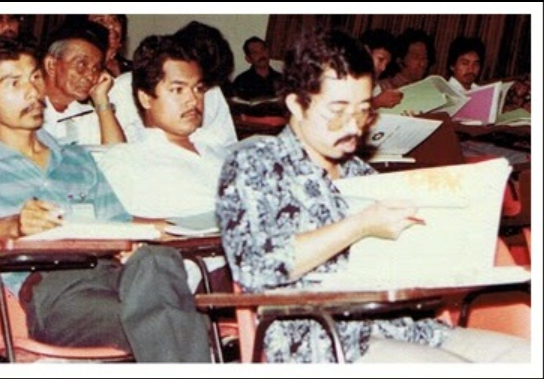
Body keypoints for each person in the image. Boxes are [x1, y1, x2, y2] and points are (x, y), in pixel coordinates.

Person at [216, 28, 529, 363]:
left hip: (403, 326)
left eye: (363, 110)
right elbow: (256, 268)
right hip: (322, 339)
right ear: (297, 103)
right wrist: (359, 225)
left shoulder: (359, 173)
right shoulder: (255, 164)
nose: (353, 126)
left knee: (523, 355)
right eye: (338, 110)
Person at [0, 37, 211, 362]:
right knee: (180, 321)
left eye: (35, 77)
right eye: (14, 83)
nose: (32, 92)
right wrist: (14, 225)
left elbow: (118, 226)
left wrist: (171, 227)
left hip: (113, 274)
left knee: (156, 262)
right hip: (54, 290)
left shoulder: (77, 159)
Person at [99, 35, 229, 292]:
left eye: (198, 89)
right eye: (178, 90)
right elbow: (101, 224)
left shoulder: (219, 152)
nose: (193, 100)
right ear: (146, 98)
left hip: (251, 260)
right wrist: (154, 228)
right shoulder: (126, 160)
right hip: (201, 273)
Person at [0, 20, 126, 148]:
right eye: (81, 65)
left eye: (96, 68)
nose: (90, 75)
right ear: (51, 64)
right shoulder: (7, 105)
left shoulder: (82, 113)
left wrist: (101, 100)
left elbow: (118, 159)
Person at [109, 21, 237, 149]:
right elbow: (116, 149)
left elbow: (227, 144)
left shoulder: (212, 90)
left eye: (200, 87)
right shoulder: (124, 87)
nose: (193, 99)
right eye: (178, 89)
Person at [359, 28, 403, 109]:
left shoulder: (377, 88)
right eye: (380, 59)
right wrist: (377, 102)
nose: (383, 68)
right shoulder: (342, 77)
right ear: (366, 51)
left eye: (387, 64)